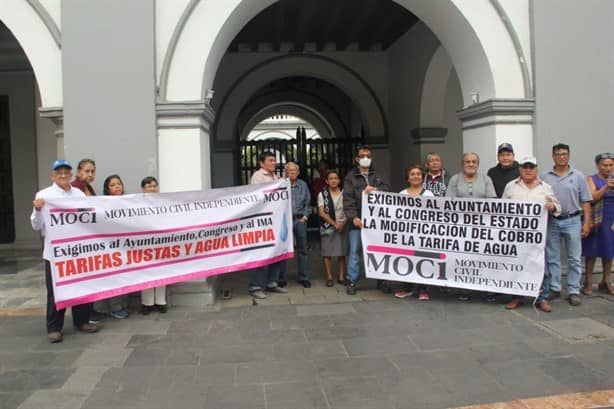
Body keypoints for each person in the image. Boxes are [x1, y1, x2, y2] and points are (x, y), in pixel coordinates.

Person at [31, 160, 100, 343]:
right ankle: (54, 328)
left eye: (66, 172)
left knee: (82, 285)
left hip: (78, 250)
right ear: (52, 175)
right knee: (55, 290)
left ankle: (82, 321)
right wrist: (38, 209)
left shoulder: (78, 193)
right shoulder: (45, 195)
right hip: (56, 253)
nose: (63, 175)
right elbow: (36, 225)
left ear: (71, 174)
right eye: (59, 172)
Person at [502, 156, 561, 312]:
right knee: (516, 264)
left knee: (542, 265)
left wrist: (552, 206)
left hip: (539, 236)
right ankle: (516, 297)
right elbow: (501, 209)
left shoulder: (545, 187)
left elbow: (558, 208)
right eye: (525, 167)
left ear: (536, 169)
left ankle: (542, 298)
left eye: (531, 167)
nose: (528, 170)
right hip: (516, 234)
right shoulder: (511, 186)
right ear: (520, 169)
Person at [540, 143, 592, 306]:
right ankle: (555, 287)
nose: (561, 157)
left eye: (564, 154)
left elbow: (586, 201)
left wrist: (587, 223)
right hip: (553, 220)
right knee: (553, 256)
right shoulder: (544, 176)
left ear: (568, 156)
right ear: (553, 156)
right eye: (558, 154)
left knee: (574, 258)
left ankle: (573, 290)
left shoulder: (578, 176)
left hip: (573, 220)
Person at [447, 152, 496, 300]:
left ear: (478, 164)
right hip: (461, 227)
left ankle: (487, 289)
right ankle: (464, 289)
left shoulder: (486, 179)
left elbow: (492, 201)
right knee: (463, 256)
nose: (471, 164)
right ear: (463, 164)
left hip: (482, 226)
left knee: (483, 257)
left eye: (474, 162)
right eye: (467, 162)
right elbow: (449, 202)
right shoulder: (455, 179)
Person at [343, 145, 390, 295]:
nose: (365, 158)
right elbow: (348, 200)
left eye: (368, 156)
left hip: (377, 223)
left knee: (378, 250)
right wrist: (353, 217)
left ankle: (381, 279)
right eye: (362, 156)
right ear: (357, 159)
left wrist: (375, 189)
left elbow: (388, 190)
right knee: (355, 252)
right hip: (357, 222)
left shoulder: (378, 175)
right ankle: (352, 281)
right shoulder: (350, 177)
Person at [248, 151, 288, 299]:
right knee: (261, 253)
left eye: (274, 160)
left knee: (277, 251)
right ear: (262, 163)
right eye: (270, 160)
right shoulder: (258, 177)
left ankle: (272, 282)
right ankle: (255, 286)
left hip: (275, 220)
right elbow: (258, 197)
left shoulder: (275, 177)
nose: (274, 163)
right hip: (263, 221)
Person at [484, 143, 520, 302]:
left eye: (508, 154)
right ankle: (497, 288)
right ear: (498, 156)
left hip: (518, 221)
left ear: (513, 155)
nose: (505, 158)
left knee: (516, 256)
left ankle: (516, 290)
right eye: (502, 155)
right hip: (497, 220)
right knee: (498, 255)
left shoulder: (522, 170)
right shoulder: (492, 172)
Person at [394, 165, 434, 301]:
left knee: (423, 260)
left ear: (422, 177)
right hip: (407, 235)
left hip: (424, 234)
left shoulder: (429, 195)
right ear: (408, 178)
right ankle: (408, 287)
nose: (416, 176)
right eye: (412, 174)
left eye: (418, 174)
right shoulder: (402, 194)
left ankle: (423, 289)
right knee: (407, 260)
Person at [94, 174, 131, 318]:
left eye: (119, 184)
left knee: (125, 277)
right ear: (107, 189)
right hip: (111, 247)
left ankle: (123, 304)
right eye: (113, 185)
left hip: (127, 246)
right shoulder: (103, 204)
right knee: (114, 278)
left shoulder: (129, 202)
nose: (117, 187)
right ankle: (115, 307)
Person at [70, 158, 100, 323]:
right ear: (79, 172)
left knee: (91, 278)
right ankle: (82, 316)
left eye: (92, 171)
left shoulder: (89, 188)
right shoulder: (74, 189)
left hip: (91, 239)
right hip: (80, 240)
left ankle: (90, 311)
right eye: (87, 171)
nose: (90, 174)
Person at [581, 153, 614, 295]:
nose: (608, 168)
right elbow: (592, 198)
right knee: (592, 250)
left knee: (609, 250)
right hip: (596, 218)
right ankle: (588, 281)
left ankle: (606, 280)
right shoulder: (591, 179)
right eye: (605, 165)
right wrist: (606, 186)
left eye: (611, 165)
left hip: (611, 218)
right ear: (598, 165)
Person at [279, 162, 311, 288]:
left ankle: (303, 277)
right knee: (283, 250)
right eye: (289, 170)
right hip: (285, 220)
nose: (292, 172)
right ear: (286, 172)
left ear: (298, 172)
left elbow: (308, 202)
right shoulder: (281, 184)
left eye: (294, 170)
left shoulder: (303, 185)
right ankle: (281, 278)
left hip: (300, 219)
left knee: (302, 249)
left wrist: (305, 216)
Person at [139, 176, 168, 314]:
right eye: (149, 186)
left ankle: (161, 302)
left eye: (154, 186)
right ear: (143, 189)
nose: (152, 188)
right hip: (144, 243)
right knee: (146, 272)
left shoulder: (162, 202)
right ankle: (147, 303)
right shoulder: (136, 203)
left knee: (161, 272)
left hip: (160, 242)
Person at [317, 170, 347, 287]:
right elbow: (321, 212)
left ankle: (341, 276)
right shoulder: (322, 194)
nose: (333, 180)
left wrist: (343, 223)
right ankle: (329, 276)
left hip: (343, 225)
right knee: (327, 252)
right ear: (327, 181)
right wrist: (334, 224)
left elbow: (349, 209)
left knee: (341, 252)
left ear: (339, 180)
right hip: (328, 226)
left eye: (336, 178)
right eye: (331, 178)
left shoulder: (345, 194)